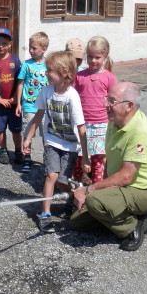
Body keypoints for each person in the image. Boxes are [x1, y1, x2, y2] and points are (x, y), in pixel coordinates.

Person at [70, 82, 147, 252]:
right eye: (106, 99)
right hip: (121, 188)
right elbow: (110, 163)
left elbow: (126, 176)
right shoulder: (114, 124)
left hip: (143, 191)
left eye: (112, 101)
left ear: (129, 106)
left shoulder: (141, 131)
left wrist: (89, 190)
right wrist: (97, 190)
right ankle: (121, 214)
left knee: (94, 201)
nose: (105, 104)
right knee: (76, 222)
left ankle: (134, 226)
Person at [22, 51, 89, 233]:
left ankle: (73, 196)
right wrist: (28, 138)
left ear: (64, 72)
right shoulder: (46, 91)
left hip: (70, 145)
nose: (46, 73)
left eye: (50, 70)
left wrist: (85, 157)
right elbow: (38, 116)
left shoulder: (72, 96)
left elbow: (81, 128)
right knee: (51, 176)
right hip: (51, 141)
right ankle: (45, 214)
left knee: (62, 181)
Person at [72, 35, 118, 185]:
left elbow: (114, 100)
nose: (93, 60)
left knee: (98, 159)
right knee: (79, 158)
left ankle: (96, 187)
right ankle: (75, 186)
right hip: (82, 123)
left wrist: (114, 120)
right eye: (90, 56)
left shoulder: (109, 77)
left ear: (105, 57)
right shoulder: (79, 76)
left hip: (101, 124)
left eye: (97, 57)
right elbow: (72, 97)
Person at [0, 28, 23, 165]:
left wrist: (15, 98)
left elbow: (20, 80)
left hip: (14, 104)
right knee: (0, 129)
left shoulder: (15, 60)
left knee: (16, 130)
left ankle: (18, 151)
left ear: (10, 44)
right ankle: (3, 151)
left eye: (4, 43)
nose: (0, 46)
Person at [15, 31, 50, 173]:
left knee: (47, 135)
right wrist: (18, 103)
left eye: (34, 48)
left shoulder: (49, 65)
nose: (31, 50)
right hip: (29, 106)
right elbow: (20, 83)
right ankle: (27, 158)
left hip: (46, 108)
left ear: (44, 49)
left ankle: (48, 160)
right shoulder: (26, 65)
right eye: (30, 47)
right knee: (28, 132)